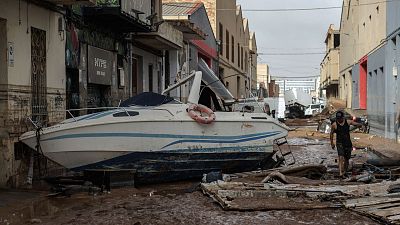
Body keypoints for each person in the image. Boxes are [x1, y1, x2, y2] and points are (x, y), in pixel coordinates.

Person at [330, 111, 362, 178]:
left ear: (343, 117)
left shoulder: (348, 122)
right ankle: (341, 173)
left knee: (347, 159)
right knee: (341, 157)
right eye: (338, 118)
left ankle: (345, 171)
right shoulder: (334, 125)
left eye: (340, 118)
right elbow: (331, 133)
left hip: (347, 143)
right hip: (339, 143)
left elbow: (354, 123)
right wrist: (332, 143)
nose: (339, 120)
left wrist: (360, 124)